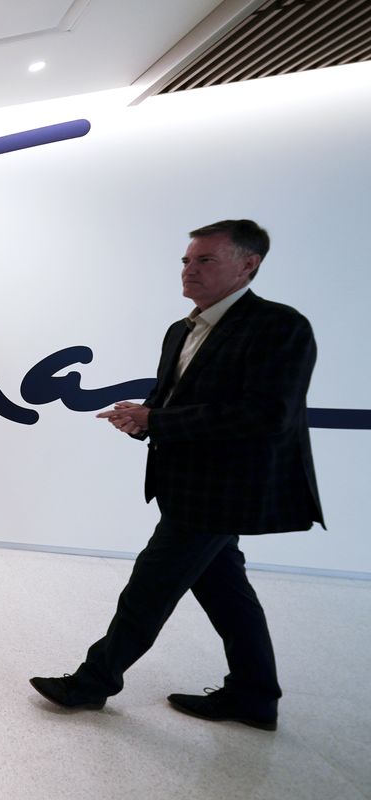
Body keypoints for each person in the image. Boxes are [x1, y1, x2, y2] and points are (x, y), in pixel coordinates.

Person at [29, 219, 323, 731]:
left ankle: (93, 681)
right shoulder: (181, 329)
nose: (190, 270)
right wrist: (141, 420)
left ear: (247, 265)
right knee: (228, 594)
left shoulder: (280, 326)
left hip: (222, 492)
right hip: (182, 483)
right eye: (187, 260)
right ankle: (254, 696)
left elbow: (267, 414)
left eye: (205, 260)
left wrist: (158, 419)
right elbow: (175, 402)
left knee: (150, 588)